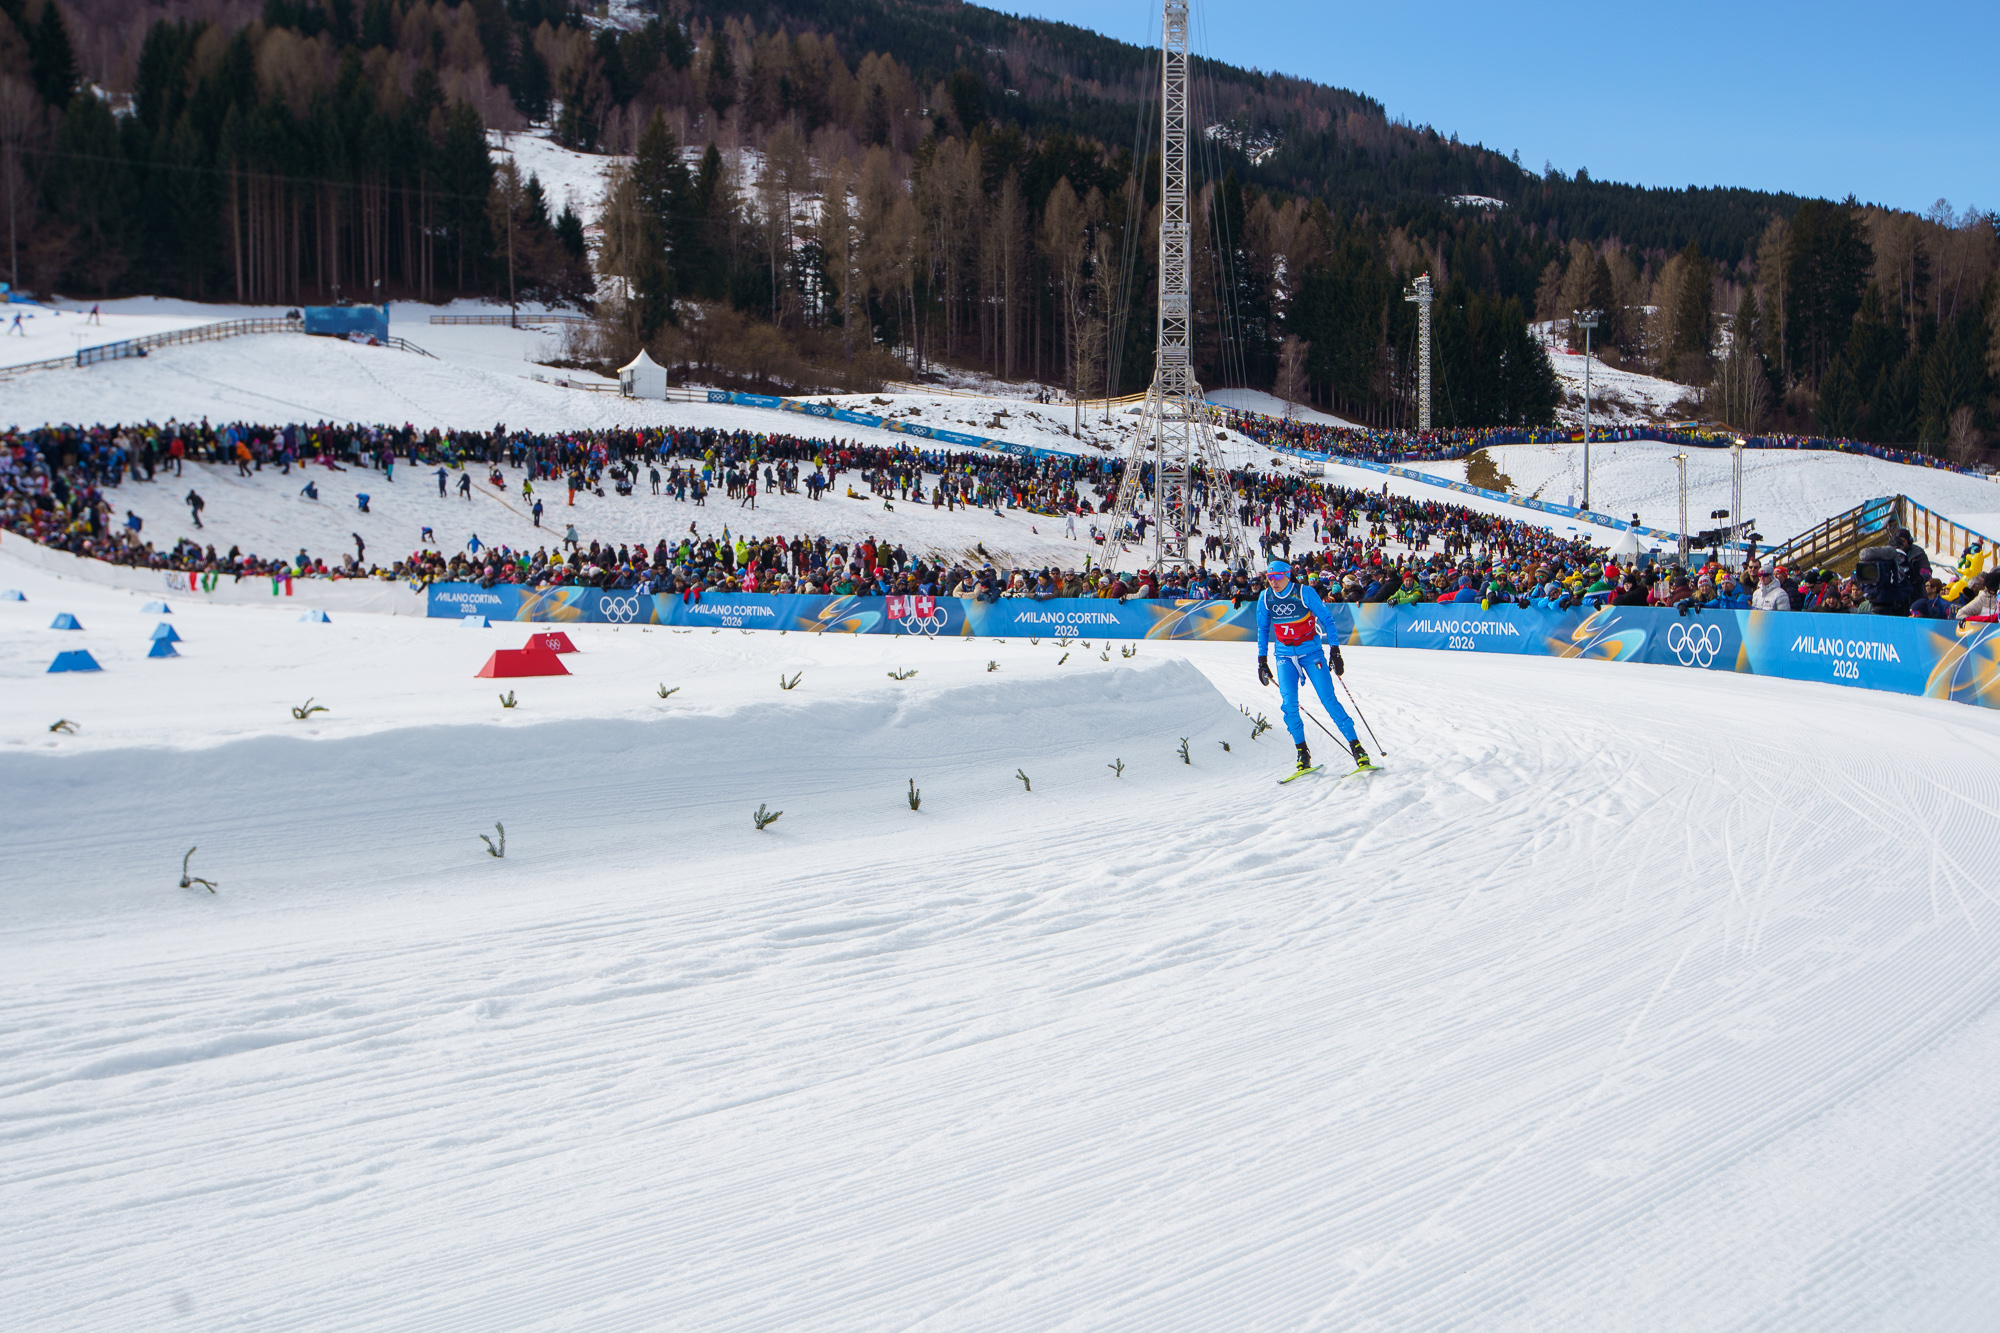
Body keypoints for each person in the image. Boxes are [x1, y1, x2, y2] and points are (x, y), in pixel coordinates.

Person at [1256, 557, 1369, 776]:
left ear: (1287, 575)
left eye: (1277, 576)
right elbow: (1262, 629)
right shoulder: (1265, 597)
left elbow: (1327, 620)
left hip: (1312, 654)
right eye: (1270, 577)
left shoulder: (1304, 592)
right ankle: (1302, 754)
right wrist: (1262, 660)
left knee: (1328, 700)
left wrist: (1335, 650)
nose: (1273, 581)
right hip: (1284, 657)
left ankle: (1357, 749)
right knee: (1289, 705)